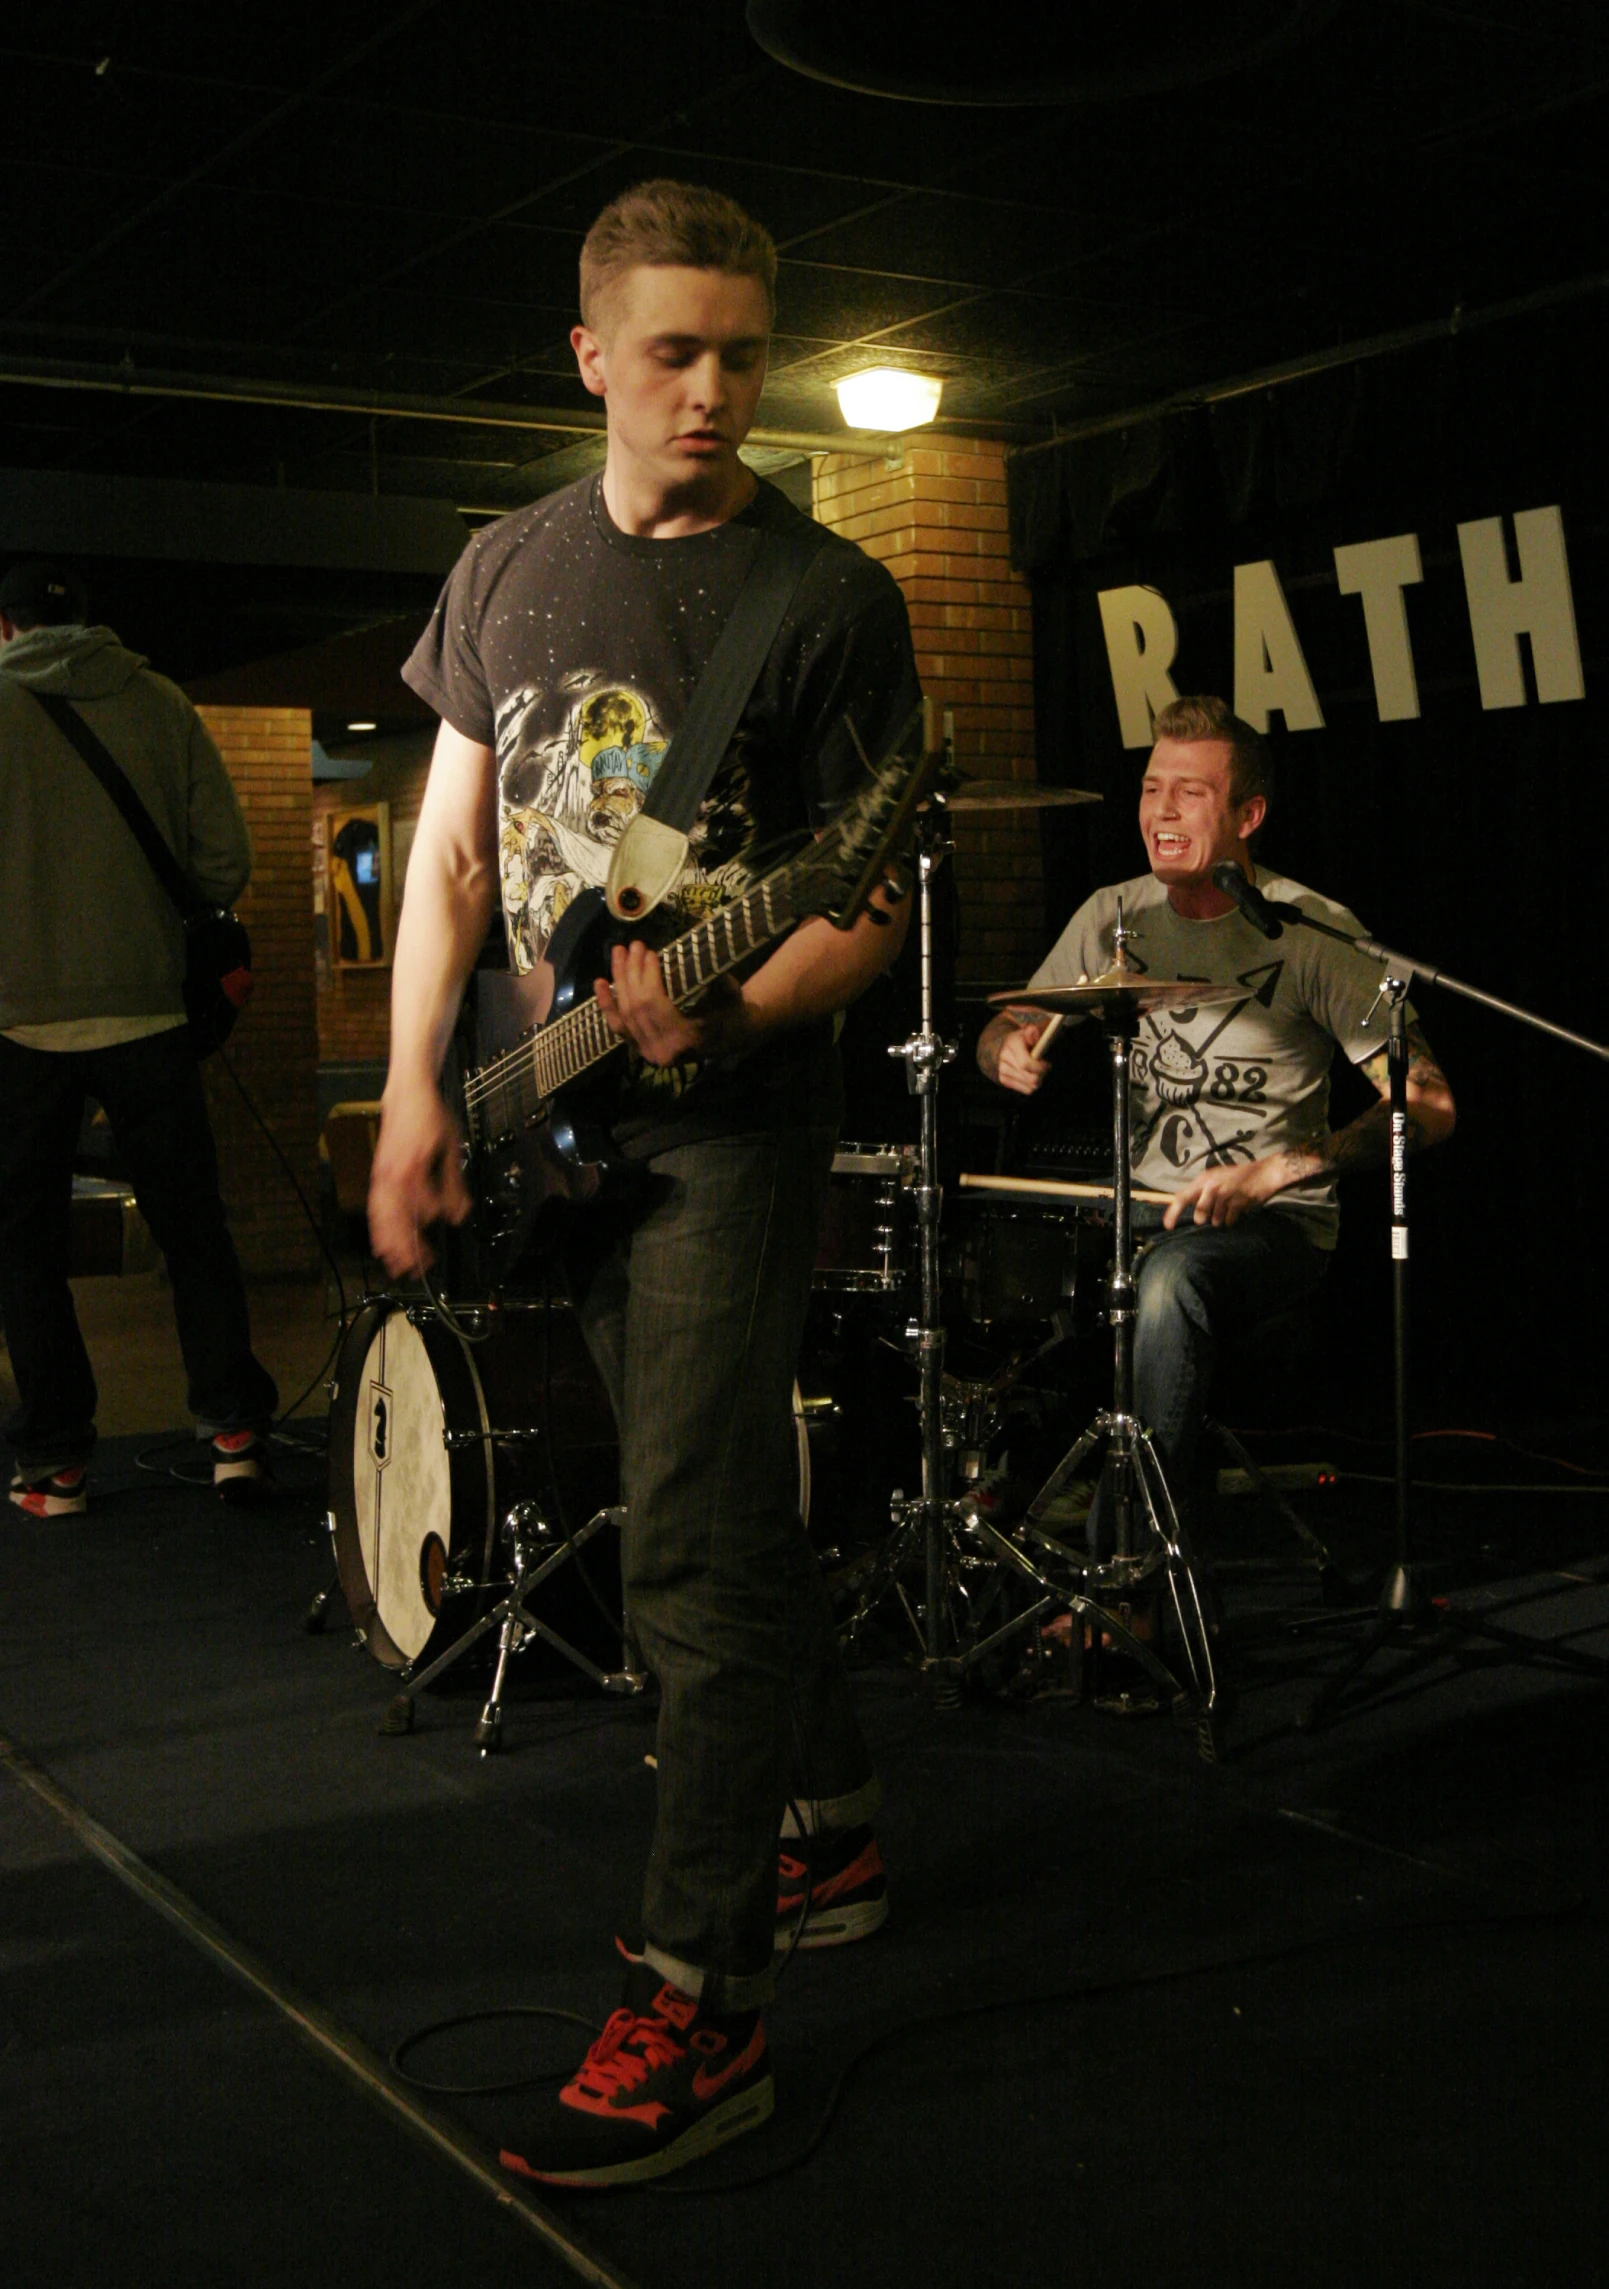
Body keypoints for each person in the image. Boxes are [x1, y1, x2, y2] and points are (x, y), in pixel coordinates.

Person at [368, 180, 920, 2188]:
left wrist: (740, 1013)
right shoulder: (504, 568)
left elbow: (860, 911)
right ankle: (831, 1816)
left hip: (726, 1135)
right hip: (551, 1117)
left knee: (681, 1538)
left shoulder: (827, 598)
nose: (712, 393)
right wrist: (411, 1097)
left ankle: (709, 1996)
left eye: (743, 357)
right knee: (709, 1508)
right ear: (590, 352)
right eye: (672, 353)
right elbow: (442, 858)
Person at [977, 694, 1456, 1542]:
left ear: (1248, 814)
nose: (1161, 810)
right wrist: (1001, 1051)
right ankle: (986, 1514)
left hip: (1271, 1229)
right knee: (976, 1250)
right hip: (1136, 1213)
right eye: (1151, 788)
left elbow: (1427, 1103)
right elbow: (1003, 1026)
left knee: (1171, 1282)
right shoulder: (1112, 917)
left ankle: (1136, 1573)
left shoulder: (1310, 934)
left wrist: (1279, 1168)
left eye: (1189, 793)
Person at [0, 560, 279, 1514]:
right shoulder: (160, 702)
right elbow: (223, 864)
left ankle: (57, 1463)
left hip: (17, 1022)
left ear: (5, 631)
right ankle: (235, 1431)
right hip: (152, 1014)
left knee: (24, 1247)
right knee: (189, 1226)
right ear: (89, 622)